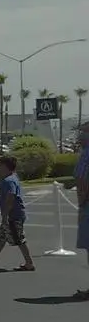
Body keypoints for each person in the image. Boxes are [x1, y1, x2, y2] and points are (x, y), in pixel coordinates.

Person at [0, 155, 35, 272]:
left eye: (0, 165)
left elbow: (10, 197)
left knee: (19, 238)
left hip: (14, 215)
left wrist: (5, 215)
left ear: (5, 166)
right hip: (11, 214)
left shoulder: (9, 181)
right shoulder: (11, 178)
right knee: (2, 236)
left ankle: (29, 263)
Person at [72, 123, 89, 300]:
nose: (80, 136)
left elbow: (83, 180)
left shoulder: (86, 155)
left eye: (83, 132)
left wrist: (82, 202)